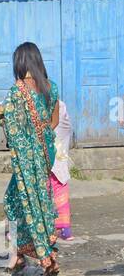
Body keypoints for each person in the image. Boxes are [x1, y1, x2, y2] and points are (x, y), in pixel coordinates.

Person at [0, 42, 60, 276]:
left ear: (19, 63)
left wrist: (7, 123)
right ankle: (21, 254)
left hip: (27, 156)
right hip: (45, 153)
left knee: (16, 200)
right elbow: (53, 123)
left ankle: (40, 256)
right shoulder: (52, 87)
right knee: (38, 200)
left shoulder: (17, 91)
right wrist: (39, 138)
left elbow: (11, 122)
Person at [52, 99, 73, 240]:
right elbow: (66, 128)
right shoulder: (60, 104)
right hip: (60, 154)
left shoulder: (33, 102)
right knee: (60, 187)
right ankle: (64, 229)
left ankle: (25, 232)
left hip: (47, 156)